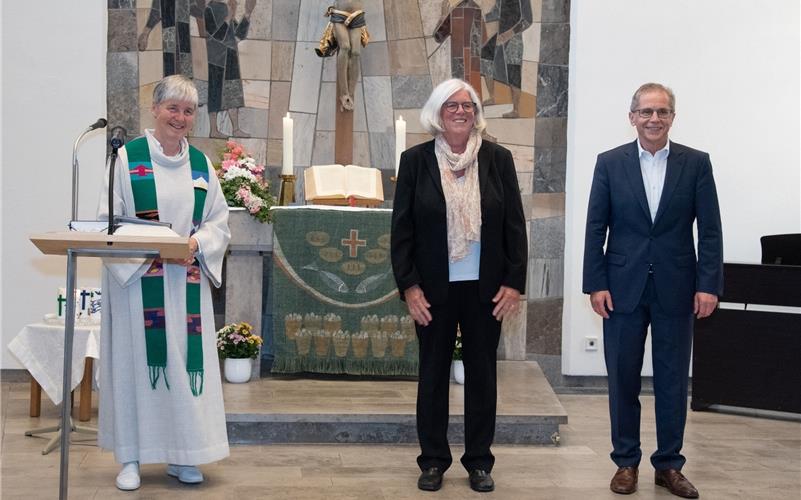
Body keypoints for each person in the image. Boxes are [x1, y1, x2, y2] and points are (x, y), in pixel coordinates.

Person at [582, 83, 723, 499]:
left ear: (672, 118)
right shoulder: (609, 163)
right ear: (632, 118)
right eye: (646, 112)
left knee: (673, 380)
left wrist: (708, 285)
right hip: (621, 289)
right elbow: (595, 228)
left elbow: (710, 230)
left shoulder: (696, 164)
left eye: (662, 112)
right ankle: (626, 462)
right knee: (623, 378)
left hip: (678, 289)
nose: (654, 119)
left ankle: (669, 465)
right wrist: (596, 283)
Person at [391, 78, 527, 493]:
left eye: (467, 105)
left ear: (476, 113)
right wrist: (410, 287)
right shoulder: (415, 161)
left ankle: (479, 462)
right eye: (451, 105)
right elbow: (402, 231)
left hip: (485, 289)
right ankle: (432, 460)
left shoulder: (498, 159)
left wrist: (514, 283)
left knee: (482, 375)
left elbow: (514, 226)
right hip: (433, 289)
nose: (461, 112)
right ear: (437, 112)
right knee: (431, 374)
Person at [97, 75, 231, 491]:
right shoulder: (127, 159)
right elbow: (109, 222)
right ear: (155, 110)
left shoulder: (201, 165)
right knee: (136, 367)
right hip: (139, 285)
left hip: (185, 281)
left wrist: (196, 242)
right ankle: (131, 458)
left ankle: (184, 455)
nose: (180, 117)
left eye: (188, 111)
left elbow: (218, 223)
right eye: (172, 108)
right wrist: (151, 247)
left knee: (184, 365)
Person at [204, 0, 255, 138]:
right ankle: (213, 129)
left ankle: (236, 128)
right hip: (216, 59)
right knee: (215, 93)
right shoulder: (209, 9)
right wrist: (228, 17)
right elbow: (217, 35)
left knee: (233, 92)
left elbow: (238, 35)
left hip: (230, 56)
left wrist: (247, 14)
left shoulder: (225, 8)